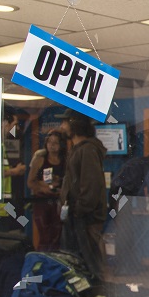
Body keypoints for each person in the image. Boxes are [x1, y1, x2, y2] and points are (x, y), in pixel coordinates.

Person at [58, 109, 108, 278]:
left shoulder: (87, 150)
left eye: (64, 122)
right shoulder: (79, 149)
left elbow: (90, 186)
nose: (61, 126)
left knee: (91, 264)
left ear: (75, 125)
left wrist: (79, 211)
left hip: (85, 219)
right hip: (77, 217)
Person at [27, 129, 67, 250]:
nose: (52, 145)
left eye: (56, 143)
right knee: (44, 236)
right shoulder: (40, 159)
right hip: (42, 201)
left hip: (58, 201)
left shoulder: (66, 161)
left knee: (57, 236)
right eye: (50, 142)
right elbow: (30, 182)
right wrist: (42, 187)